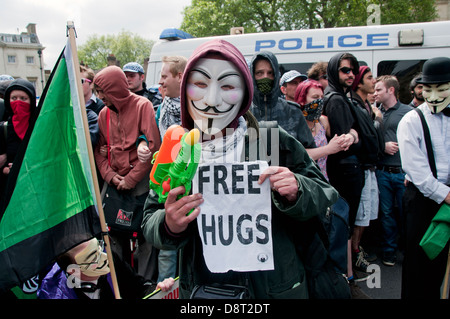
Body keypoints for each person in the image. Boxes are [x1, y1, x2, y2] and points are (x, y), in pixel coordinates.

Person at [141, 39, 339, 299]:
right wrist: (169, 224)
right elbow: (151, 218)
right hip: (205, 288)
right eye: (200, 84)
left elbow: (324, 192)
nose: (212, 99)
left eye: (227, 85)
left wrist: (297, 190)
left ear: (244, 92)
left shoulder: (268, 140)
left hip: (273, 287)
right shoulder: (180, 149)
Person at [93, 66, 161, 282]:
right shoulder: (103, 113)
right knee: (111, 235)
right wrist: (111, 176)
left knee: (146, 237)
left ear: (114, 89)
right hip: (113, 184)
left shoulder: (143, 105)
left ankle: (145, 286)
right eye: (97, 91)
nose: (100, 96)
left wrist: (131, 179)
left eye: (103, 91)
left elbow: (154, 148)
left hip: (140, 183)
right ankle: (120, 284)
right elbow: (98, 152)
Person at [397, 57, 450, 299]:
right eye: (428, 89)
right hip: (424, 200)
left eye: (441, 89)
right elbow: (414, 167)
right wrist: (445, 194)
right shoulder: (411, 120)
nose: (434, 95)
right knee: (421, 269)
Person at [323, 52, 369, 298]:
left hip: (348, 169)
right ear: (334, 72)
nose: (351, 74)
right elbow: (345, 144)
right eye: (344, 70)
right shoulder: (337, 100)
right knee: (343, 225)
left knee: (346, 225)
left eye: (353, 70)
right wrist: (355, 135)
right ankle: (344, 281)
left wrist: (355, 133)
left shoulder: (341, 97)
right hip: (345, 170)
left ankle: (347, 277)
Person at [138, 55, 187, 284]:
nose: (161, 82)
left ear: (180, 76)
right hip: (165, 189)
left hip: (190, 188)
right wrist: (142, 145)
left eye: (165, 76)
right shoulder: (160, 110)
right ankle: (167, 289)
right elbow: (147, 135)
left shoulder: (197, 110)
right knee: (166, 250)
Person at [37, 237, 175, 299]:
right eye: (93, 257)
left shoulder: (109, 258)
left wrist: (156, 291)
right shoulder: (54, 295)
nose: (103, 256)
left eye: (98, 248)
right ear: (73, 271)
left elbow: (138, 289)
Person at [373, 75, 412, 267]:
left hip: (403, 173)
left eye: (379, 89)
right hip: (382, 172)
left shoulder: (409, 112)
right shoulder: (374, 113)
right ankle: (389, 252)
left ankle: (408, 252)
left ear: (391, 90)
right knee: (386, 214)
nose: (375, 93)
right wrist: (383, 146)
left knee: (406, 213)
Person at [249, 51, 316, 149]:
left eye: (270, 73)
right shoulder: (243, 112)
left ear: (276, 75)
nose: (265, 77)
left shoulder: (292, 111)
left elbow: (309, 152)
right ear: (252, 75)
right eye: (260, 73)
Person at [350, 66, 381, 272]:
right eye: (370, 78)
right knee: (359, 213)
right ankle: (353, 254)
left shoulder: (366, 105)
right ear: (359, 83)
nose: (374, 81)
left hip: (370, 166)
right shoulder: (354, 104)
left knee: (366, 214)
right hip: (360, 166)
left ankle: (357, 249)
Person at [294, 80, 347, 180]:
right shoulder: (294, 123)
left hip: (323, 181)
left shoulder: (322, 121)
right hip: (303, 182)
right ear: (302, 100)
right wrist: (328, 149)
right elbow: (298, 156)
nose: (319, 101)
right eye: (315, 97)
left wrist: (350, 136)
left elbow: (340, 136)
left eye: (321, 97)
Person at [79, 66, 100, 147]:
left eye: (81, 81)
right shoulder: (71, 109)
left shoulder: (102, 106)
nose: (77, 85)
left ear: (91, 84)